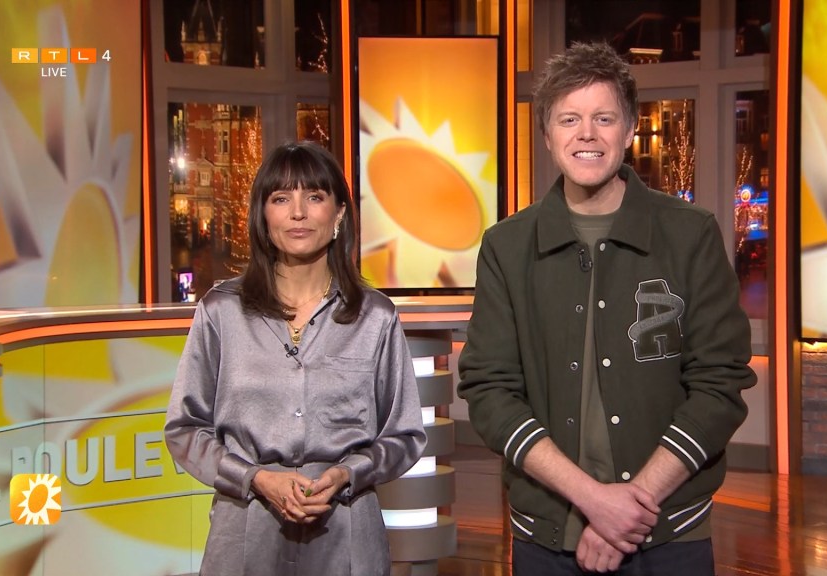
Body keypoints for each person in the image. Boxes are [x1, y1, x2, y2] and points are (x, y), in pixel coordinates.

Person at [458, 42, 757, 575]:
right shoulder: (506, 246)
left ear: (631, 128)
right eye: (569, 119)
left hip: (669, 532)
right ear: (547, 134)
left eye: (604, 118)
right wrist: (594, 499)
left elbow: (719, 385)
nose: (587, 134)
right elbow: (490, 390)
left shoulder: (690, 235)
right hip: (545, 536)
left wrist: (631, 506)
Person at [165, 141, 426, 576]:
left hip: (346, 536)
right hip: (245, 535)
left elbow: (404, 435)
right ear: (263, 216)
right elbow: (185, 429)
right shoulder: (221, 311)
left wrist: (347, 473)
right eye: (282, 198)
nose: (298, 213)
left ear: (339, 214)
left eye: (315, 197)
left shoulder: (375, 317)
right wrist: (255, 478)